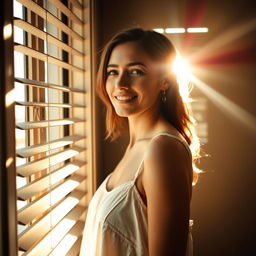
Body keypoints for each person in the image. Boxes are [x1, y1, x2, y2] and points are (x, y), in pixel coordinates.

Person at [80, 28, 200, 256]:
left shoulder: (163, 148)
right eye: (112, 72)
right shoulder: (137, 146)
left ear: (164, 80)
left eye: (136, 71)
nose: (120, 83)